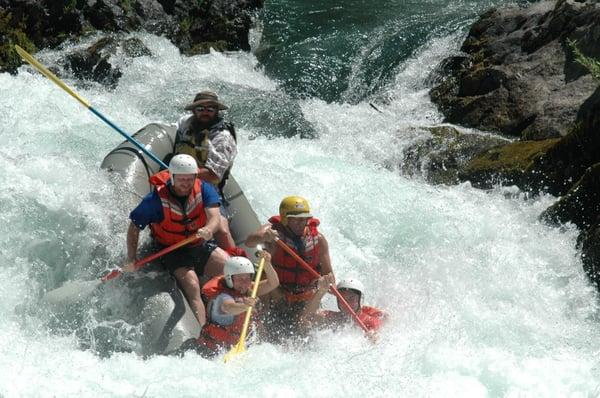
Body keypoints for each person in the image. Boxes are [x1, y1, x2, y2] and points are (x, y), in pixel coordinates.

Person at [122, 154, 230, 330]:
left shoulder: (204, 189)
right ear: (171, 177)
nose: (186, 183)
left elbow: (215, 217)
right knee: (192, 285)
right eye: (181, 179)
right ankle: (203, 334)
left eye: (190, 179)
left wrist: (209, 229)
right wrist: (131, 258)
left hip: (198, 243)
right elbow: (134, 227)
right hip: (172, 250)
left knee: (232, 268)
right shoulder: (154, 201)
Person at [244, 195, 335, 340]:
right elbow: (249, 241)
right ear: (286, 218)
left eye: (304, 219)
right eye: (297, 219)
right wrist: (264, 237)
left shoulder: (319, 240)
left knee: (310, 321)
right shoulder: (272, 232)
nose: (302, 223)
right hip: (277, 293)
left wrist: (324, 284)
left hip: (305, 296)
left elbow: (331, 281)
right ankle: (261, 331)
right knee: (266, 296)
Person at [173, 90, 237, 250]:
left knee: (221, 229)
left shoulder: (223, 138)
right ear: (194, 111)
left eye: (210, 109)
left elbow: (213, 175)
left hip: (207, 188)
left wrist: (179, 173)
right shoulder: (186, 122)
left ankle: (237, 265)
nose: (205, 113)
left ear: (217, 111)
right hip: (176, 183)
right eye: (200, 109)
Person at [194, 251, 279, 357]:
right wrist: (245, 306)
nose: (244, 283)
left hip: (237, 349)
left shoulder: (249, 289)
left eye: (247, 278)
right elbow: (228, 307)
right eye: (240, 279)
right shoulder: (221, 296)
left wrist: (267, 264)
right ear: (230, 278)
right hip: (211, 352)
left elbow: (273, 283)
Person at [300, 276, 386, 334]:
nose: (346, 303)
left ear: (360, 300)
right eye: (342, 299)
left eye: (351, 299)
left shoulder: (369, 321)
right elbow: (306, 318)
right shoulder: (332, 317)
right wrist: (321, 291)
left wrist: (374, 337)